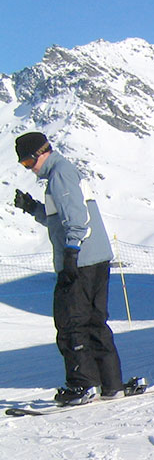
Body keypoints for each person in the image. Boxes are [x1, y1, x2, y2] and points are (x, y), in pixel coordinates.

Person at [13, 132, 133, 405]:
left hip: (81, 261)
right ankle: (110, 384)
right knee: (93, 321)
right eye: (23, 166)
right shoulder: (63, 174)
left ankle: (83, 385)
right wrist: (32, 208)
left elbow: (78, 218)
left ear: (42, 152)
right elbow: (62, 218)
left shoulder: (60, 175)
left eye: (28, 162)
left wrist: (71, 253)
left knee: (70, 322)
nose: (29, 169)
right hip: (95, 259)